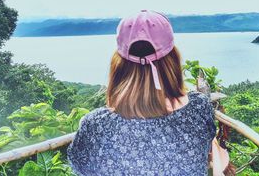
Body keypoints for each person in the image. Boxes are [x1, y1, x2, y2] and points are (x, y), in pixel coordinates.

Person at [67, 10, 217, 176]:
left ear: (118, 64)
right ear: (172, 58)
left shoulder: (96, 125)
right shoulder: (198, 109)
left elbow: (79, 165)